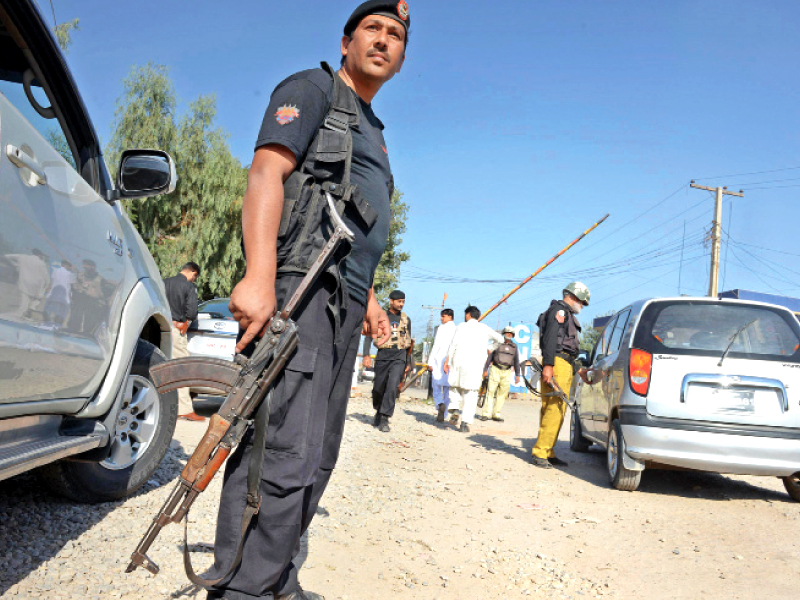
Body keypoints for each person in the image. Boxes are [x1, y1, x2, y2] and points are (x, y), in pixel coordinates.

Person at [206, 3, 407, 598]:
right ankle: (241, 588)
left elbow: (353, 221)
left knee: (318, 452)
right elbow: (267, 172)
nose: (383, 40)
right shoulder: (314, 89)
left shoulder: (371, 127)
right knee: (281, 446)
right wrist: (258, 276)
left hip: (342, 303)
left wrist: (369, 299)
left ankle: (277, 580)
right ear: (346, 42)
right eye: (372, 29)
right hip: (301, 289)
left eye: (395, 35)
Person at [532, 282, 593, 468]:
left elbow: (567, 349)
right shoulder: (560, 311)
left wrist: (578, 370)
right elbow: (551, 339)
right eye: (582, 302)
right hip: (557, 364)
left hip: (562, 364)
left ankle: (548, 450)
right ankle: (541, 452)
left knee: (555, 408)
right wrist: (549, 366)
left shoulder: (564, 313)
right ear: (574, 296)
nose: (581, 306)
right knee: (555, 408)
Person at [444, 306, 504, 433]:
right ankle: (465, 424)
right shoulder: (484, 328)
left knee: (455, 387)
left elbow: (453, 344)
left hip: (459, 362)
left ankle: (455, 409)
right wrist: (490, 348)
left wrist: (448, 360)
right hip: (475, 365)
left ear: (468, 314)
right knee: (471, 394)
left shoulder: (461, 326)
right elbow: (501, 339)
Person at [364, 289, 412, 432]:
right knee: (378, 387)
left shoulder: (406, 319)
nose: (401, 304)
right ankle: (378, 410)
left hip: (399, 357)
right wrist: (366, 354)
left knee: (392, 387)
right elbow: (368, 336)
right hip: (383, 355)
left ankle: (385, 418)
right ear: (391, 301)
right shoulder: (380, 316)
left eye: (403, 301)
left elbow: (409, 341)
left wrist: (409, 362)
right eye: (399, 301)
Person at [163, 262, 202, 421]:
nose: (194, 279)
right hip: (177, 329)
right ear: (192, 272)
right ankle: (184, 409)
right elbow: (192, 311)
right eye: (195, 276)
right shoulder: (188, 286)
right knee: (181, 369)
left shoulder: (164, 282)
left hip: (162, 326)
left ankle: (163, 406)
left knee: (163, 368)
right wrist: (185, 324)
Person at [480, 325, 521, 422]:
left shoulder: (514, 347)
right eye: (507, 333)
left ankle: (496, 414)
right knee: (490, 391)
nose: (509, 335)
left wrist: (518, 375)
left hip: (507, 371)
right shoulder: (498, 343)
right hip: (495, 369)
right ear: (503, 333)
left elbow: (516, 360)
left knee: (502, 394)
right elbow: (489, 357)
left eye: (511, 334)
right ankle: (486, 414)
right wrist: (485, 370)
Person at [427, 308, 456, 422]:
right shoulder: (457, 329)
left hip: (439, 360)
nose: (441, 318)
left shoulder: (441, 328)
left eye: (443, 316)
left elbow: (436, 345)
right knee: (448, 389)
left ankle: (439, 404)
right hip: (450, 362)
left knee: (436, 385)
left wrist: (430, 362)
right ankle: (444, 414)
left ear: (450, 317)